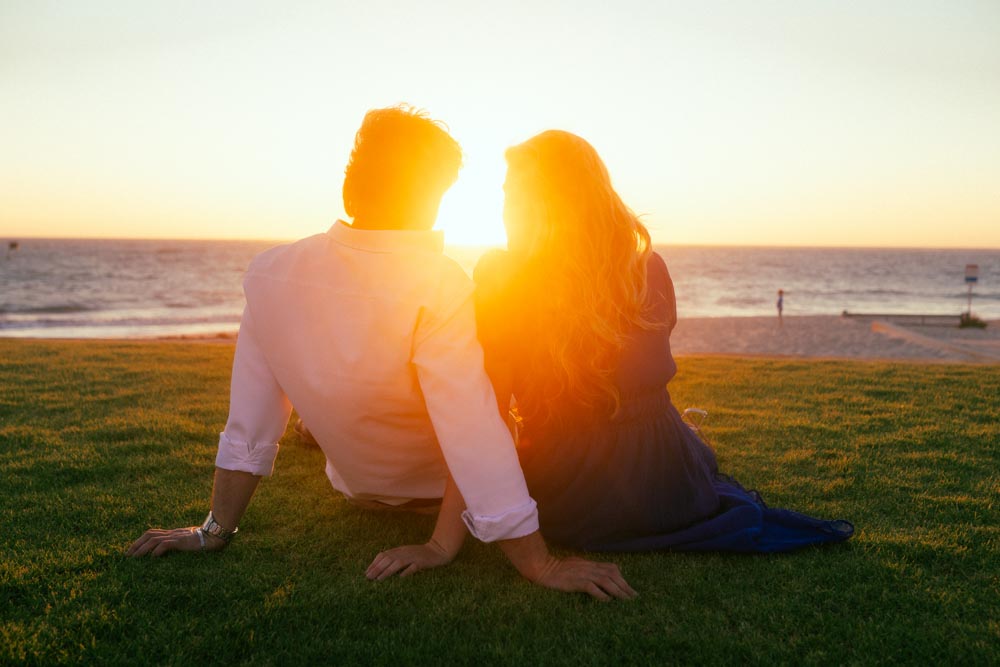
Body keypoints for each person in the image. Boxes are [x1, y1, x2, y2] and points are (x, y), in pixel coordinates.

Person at [127, 107, 635, 601]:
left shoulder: (269, 274)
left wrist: (213, 529)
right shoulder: (440, 284)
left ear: (352, 185)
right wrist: (538, 563)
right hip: (439, 498)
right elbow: (474, 431)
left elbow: (250, 426)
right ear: (432, 198)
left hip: (354, 490)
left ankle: (313, 431)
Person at [467, 130, 853, 552]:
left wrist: (444, 540)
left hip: (572, 494)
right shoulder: (648, 269)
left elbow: (491, 411)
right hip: (668, 481)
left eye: (511, 193)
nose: (504, 205)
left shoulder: (502, 276)